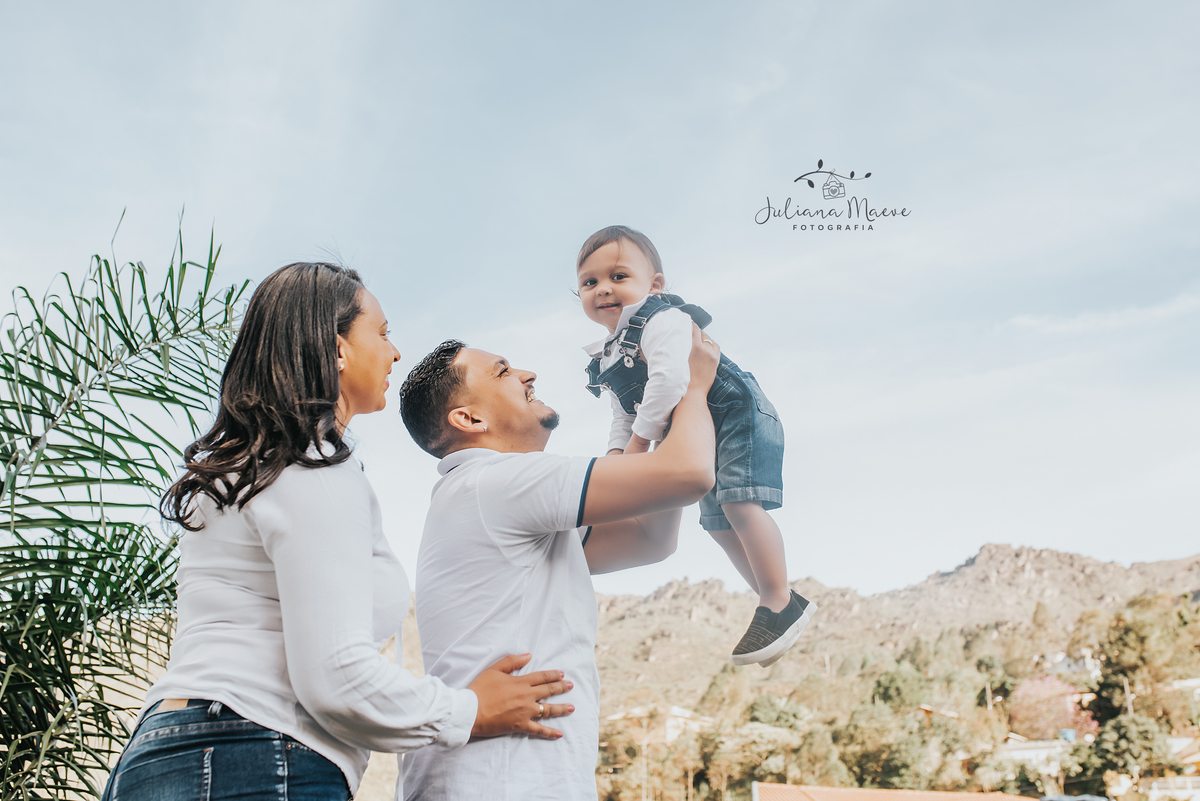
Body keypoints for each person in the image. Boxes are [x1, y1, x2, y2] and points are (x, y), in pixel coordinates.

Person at [102, 262, 574, 801]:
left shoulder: (253, 465)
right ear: (339, 349)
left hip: (176, 754)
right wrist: (470, 710)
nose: (395, 352)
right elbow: (334, 674)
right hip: (254, 754)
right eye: (383, 332)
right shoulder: (312, 465)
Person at [396, 328, 720, 800]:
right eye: (503, 371)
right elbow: (688, 472)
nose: (527, 374)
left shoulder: (495, 498)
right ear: (468, 417)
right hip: (498, 782)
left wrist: (660, 412)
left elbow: (649, 537)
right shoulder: (495, 481)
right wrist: (691, 384)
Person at [576, 225, 816, 667]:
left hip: (734, 412)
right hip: (694, 430)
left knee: (741, 505)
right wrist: (616, 456)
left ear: (655, 285)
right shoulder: (607, 355)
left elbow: (669, 382)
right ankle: (774, 600)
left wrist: (640, 444)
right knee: (719, 525)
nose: (603, 289)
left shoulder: (662, 319)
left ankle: (779, 601)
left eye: (618, 276)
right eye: (590, 282)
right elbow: (623, 413)